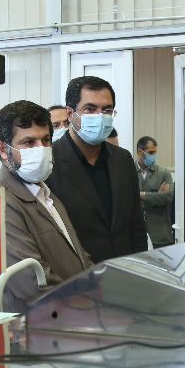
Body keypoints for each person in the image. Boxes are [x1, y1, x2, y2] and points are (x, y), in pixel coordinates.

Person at [0, 100, 93, 314]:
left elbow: (79, 256)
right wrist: (88, 303)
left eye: (45, 140)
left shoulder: (46, 194)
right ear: (3, 149)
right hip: (34, 326)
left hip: (69, 317)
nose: (41, 149)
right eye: (28, 142)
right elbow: (32, 283)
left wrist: (99, 286)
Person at [46, 76, 147, 262]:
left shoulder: (122, 159)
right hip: (78, 272)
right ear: (70, 114)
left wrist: (139, 265)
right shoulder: (49, 163)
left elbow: (136, 223)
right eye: (90, 109)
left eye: (107, 110)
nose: (100, 116)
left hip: (123, 267)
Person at [136, 135, 175, 248]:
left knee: (162, 258)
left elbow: (168, 197)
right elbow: (126, 197)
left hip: (160, 230)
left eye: (155, 152)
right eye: (151, 152)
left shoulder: (163, 173)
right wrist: (156, 196)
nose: (153, 156)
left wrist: (141, 195)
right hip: (136, 229)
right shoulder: (128, 171)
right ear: (140, 151)